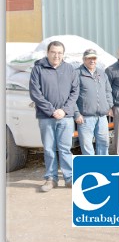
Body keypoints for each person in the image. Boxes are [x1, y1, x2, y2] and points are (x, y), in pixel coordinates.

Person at [29, 41, 79, 192]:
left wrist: (64, 110)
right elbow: (35, 93)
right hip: (46, 117)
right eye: (53, 52)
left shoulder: (69, 69)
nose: (56, 55)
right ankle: (51, 179)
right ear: (47, 52)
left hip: (66, 117)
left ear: (63, 54)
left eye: (59, 53)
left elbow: (75, 92)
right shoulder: (38, 69)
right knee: (49, 149)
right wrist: (52, 111)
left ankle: (69, 178)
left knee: (65, 148)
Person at [74, 48, 113, 156]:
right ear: (83, 59)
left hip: (101, 117)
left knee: (104, 143)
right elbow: (72, 96)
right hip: (85, 118)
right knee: (87, 145)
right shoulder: (77, 74)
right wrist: (76, 114)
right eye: (89, 58)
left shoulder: (101, 73)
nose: (92, 61)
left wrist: (109, 106)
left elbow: (108, 91)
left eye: (94, 58)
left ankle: (102, 167)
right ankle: (90, 168)